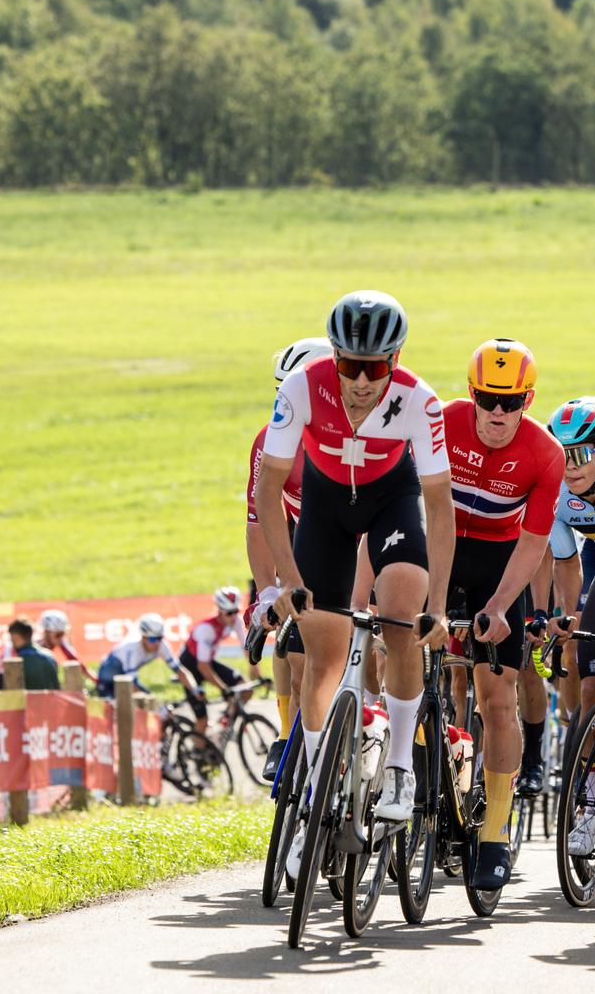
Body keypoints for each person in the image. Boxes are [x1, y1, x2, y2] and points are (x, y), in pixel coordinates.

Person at [258, 290, 453, 875]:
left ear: (395, 359)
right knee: (321, 658)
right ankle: (316, 798)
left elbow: (439, 507)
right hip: (325, 508)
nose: (363, 382)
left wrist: (440, 605)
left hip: (393, 501)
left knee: (401, 621)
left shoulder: (420, 400)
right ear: (334, 356)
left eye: (376, 367)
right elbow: (269, 490)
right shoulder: (302, 387)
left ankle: (399, 767)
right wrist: (289, 582)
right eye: (349, 365)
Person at [437, 337, 563, 891]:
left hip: (499, 562)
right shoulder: (442, 422)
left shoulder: (545, 453)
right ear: (472, 393)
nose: (496, 412)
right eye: (487, 398)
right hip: (439, 549)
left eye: (510, 402)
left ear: (527, 400)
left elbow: (533, 543)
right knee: (399, 658)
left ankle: (494, 833)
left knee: (497, 696)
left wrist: (498, 606)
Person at [547, 396, 595, 858]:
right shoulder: (559, 494)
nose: (570, 466)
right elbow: (565, 561)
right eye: (561, 455)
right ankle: (592, 804)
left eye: (579, 454)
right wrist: (568, 615)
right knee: (593, 683)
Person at [247, 336, 327, 762]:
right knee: (289, 635)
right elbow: (258, 523)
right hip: (302, 533)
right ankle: (286, 736)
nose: (285, 405)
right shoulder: (270, 439)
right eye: (279, 393)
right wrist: (265, 593)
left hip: (365, 539)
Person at [180, 586, 248, 726]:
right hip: (190, 667)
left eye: (236, 611)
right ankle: (199, 739)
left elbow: (247, 648)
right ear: (220, 611)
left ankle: (225, 724)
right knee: (202, 721)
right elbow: (202, 666)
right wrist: (223, 689)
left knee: (246, 689)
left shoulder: (236, 621)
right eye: (229, 613)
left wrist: (257, 672)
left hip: (207, 661)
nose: (233, 616)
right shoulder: (206, 629)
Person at [96, 613, 202, 702]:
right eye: (152, 639)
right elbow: (132, 686)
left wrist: (195, 689)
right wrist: (154, 704)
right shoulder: (132, 648)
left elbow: (179, 671)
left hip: (128, 678)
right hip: (109, 676)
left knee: (148, 704)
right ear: (143, 637)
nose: (156, 643)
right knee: (123, 709)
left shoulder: (163, 646)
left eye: (159, 638)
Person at [0, 618, 60, 691]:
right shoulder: (50, 656)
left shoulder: (14, 664)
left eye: (11, 638)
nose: (11, 641)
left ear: (15, 637)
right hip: (52, 698)